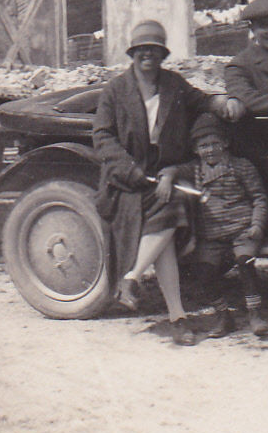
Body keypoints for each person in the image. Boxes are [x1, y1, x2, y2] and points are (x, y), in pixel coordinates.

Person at [92, 19, 240, 346]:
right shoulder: (115, 91)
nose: (148, 55)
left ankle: (141, 288)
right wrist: (129, 170)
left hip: (162, 177)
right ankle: (169, 311)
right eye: (142, 49)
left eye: (155, 50)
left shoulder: (174, 85)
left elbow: (202, 101)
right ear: (133, 54)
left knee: (170, 206)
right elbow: (102, 137)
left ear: (162, 55)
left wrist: (223, 103)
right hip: (127, 183)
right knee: (167, 227)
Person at [169, 113, 268, 338]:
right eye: (203, 146)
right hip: (212, 235)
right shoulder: (195, 170)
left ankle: (255, 314)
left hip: (242, 230)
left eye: (215, 143)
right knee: (204, 272)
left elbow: (259, 198)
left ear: (225, 143)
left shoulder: (242, 167)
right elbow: (174, 170)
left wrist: (256, 225)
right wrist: (168, 176)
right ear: (196, 150)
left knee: (246, 263)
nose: (210, 150)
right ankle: (223, 315)